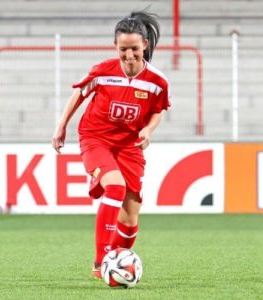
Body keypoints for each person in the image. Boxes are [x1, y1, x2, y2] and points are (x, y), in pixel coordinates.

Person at [52, 9, 171, 279]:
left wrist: (148, 130)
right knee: (115, 187)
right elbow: (79, 94)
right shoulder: (103, 71)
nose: (129, 55)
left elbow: (157, 109)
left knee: (130, 219)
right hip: (96, 139)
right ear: (115, 47)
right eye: (123, 49)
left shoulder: (158, 81)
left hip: (130, 146)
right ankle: (101, 261)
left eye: (134, 49)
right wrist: (61, 126)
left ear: (145, 46)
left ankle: (114, 268)